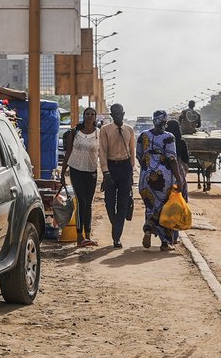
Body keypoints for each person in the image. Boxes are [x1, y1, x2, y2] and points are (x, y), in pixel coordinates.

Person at [137, 111, 182, 251]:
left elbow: (139, 156)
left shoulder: (144, 135)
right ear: (165, 122)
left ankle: (148, 228)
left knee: (150, 205)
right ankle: (165, 242)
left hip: (145, 176)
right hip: (163, 177)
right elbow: (172, 159)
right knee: (164, 207)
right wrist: (179, 179)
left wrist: (149, 166)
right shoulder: (168, 137)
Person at [98, 103, 137, 249]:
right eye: (115, 114)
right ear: (112, 115)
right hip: (111, 167)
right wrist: (105, 171)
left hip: (125, 168)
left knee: (122, 203)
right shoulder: (105, 130)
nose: (118, 116)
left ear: (124, 113)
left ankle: (116, 237)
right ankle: (117, 226)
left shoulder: (129, 130)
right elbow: (102, 151)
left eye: (120, 113)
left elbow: (132, 151)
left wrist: (131, 170)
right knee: (109, 203)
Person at [63, 107, 102, 248]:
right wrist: (62, 173)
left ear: (95, 117)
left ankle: (88, 235)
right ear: (83, 116)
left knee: (89, 203)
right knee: (81, 202)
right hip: (76, 169)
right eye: (87, 114)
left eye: (92, 114)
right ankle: (79, 236)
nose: (90, 116)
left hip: (91, 171)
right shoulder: (75, 133)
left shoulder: (99, 133)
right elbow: (68, 153)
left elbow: (102, 153)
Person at [165, 117, 191, 200]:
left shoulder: (163, 140)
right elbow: (186, 159)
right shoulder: (181, 142)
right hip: (178, 172)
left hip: (163, 171)